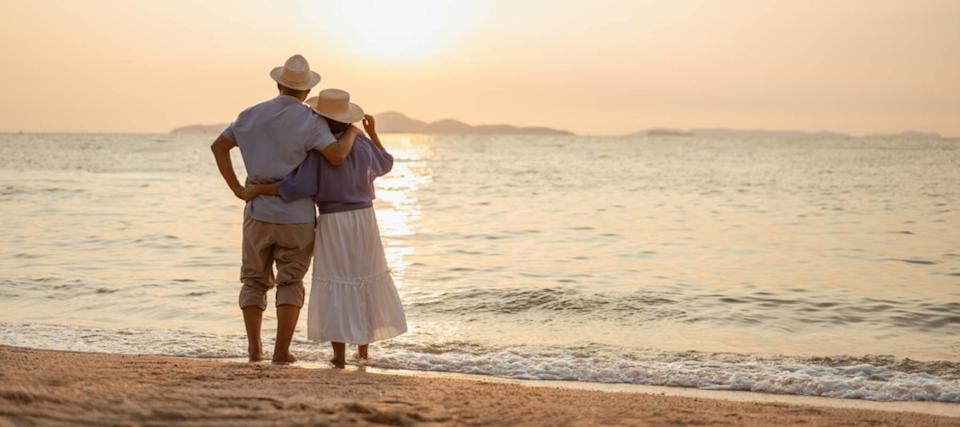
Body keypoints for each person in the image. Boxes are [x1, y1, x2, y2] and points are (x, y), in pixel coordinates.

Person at [211, 55, 361, 363]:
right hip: (297, 215)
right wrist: (351, 132)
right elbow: (335, 157)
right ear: (306, 92)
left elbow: (219, 147)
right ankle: (281, 352)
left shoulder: (250, 115)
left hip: (257, 211)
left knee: (253, 279)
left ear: (278, 84)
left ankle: (254, 349)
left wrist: (238, 189)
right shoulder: (311, 120)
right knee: (290, 281)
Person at [243, 89, 407, 368]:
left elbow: (293, 187)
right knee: (363, 276)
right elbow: (386, 163)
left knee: (336, 280)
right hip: (365, 220)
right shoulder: (365, 146)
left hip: (333, 221)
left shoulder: (319, 153)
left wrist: (258, 188)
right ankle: (363, 351)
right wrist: (371, 133)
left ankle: (339, 356)